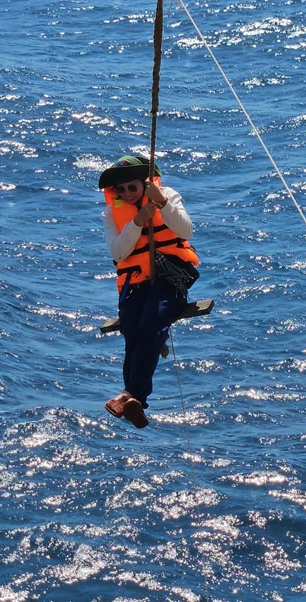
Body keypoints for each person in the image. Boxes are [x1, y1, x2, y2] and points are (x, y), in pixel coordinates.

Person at [99, 154, 200, 428]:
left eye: (132, 187)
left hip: (170, 278)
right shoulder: (111, 214)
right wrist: (137, 223)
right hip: (135, 283)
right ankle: (134, 400)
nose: (127, 194)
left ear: (145, 183)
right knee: (132, 329)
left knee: (153, 321)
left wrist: (162, 204)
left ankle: (130, 394)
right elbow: (118, 251)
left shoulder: (166, 195)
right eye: (121, 190)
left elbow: (186, 230)